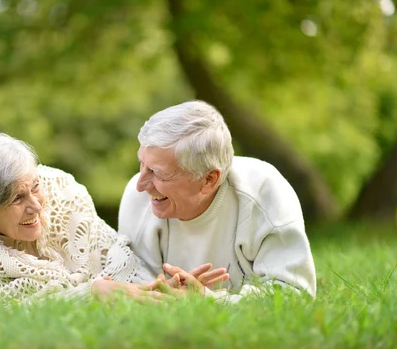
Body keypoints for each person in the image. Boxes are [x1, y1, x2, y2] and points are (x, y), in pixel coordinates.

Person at [0, 132, 226, 304]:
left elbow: (118, 261)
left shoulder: (63, 198)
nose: (36, 206)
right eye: (17, 199)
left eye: (35, 188)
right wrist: (90, 292)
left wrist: (164, 287)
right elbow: (2, 311)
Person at [118, 100, 317, 303]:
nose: (140, 185)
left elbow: (294, 294)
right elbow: (135, 291)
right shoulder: (138, 199)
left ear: (208, 179)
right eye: (142, 164)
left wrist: (209, 299)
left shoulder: (264, 191)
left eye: (157, 172)